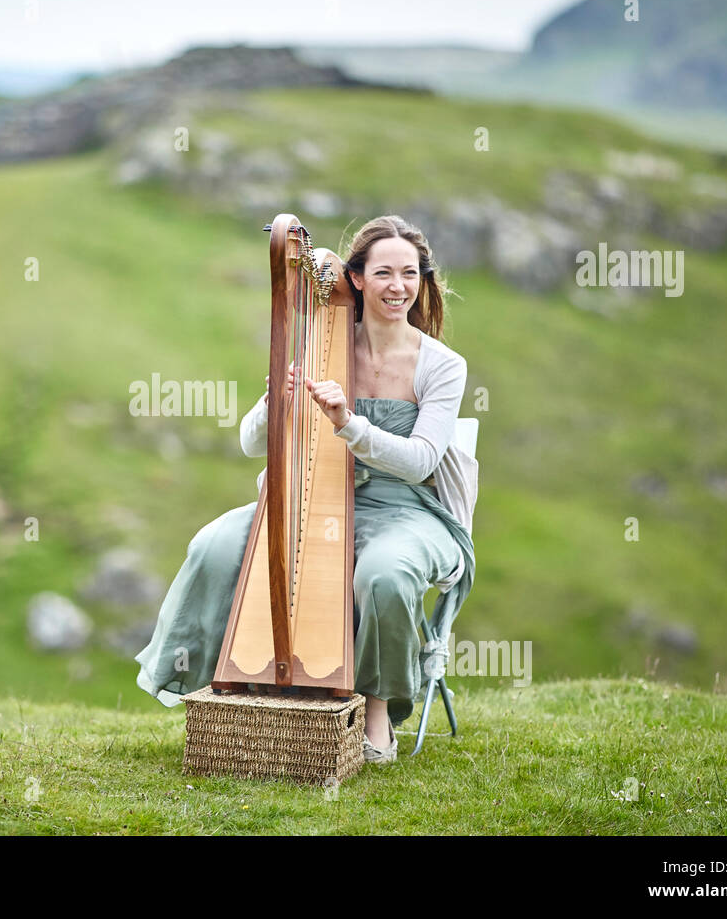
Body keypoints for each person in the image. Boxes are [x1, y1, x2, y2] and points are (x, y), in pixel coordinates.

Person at [134, 215, 475, 765]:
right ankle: (224, 695)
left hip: (409, 510)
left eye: (409, 274)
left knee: (385, 574)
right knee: (214, 546)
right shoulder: (322, 343)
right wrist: (277, 402)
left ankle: (377, 708)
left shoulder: (442, 366)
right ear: (356, 279)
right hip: (315, 500)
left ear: (422, 280)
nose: (398, 287)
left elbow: (419, 464)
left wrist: (349, 423)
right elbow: (250, 443)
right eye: (383, 273)